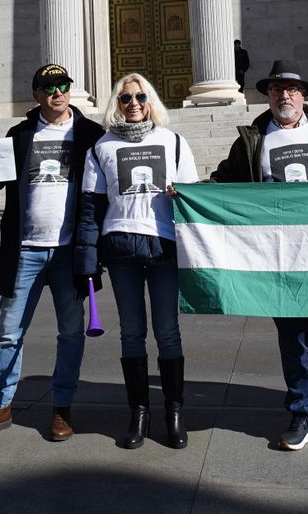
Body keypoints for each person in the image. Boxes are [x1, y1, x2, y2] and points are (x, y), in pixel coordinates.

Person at [208, 59, 308, 454]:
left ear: (304, 95)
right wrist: (189, 194)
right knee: (294, 341)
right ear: (267, 95)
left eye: (293, 89)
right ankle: (303, 412)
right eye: (277, 90)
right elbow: (223, 181)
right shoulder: (252, 138)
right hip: (280, 258)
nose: (285, 96)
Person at [0, 62, 105, 444]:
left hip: (70, 252)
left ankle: (62, 408)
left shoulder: (92, 134)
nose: (58, 93)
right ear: (37, 94)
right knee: (9, 332)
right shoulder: (20, 133)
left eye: (63, 86)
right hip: (24, 250)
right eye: (49, 87)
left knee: (71, 332)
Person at [77, 72, 198, 449]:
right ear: (116, 103)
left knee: (168, 331)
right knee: (131, 332)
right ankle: (139, 413)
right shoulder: (101, 148)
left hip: (164, 247)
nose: (133, 104)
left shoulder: (173, 142)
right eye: (126, 98)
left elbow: (193, 200)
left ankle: (174, 413)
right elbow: (90, 209)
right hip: (121, 250)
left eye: (140, 97)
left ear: (151, 101)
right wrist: (88, 260)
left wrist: (182, 196)